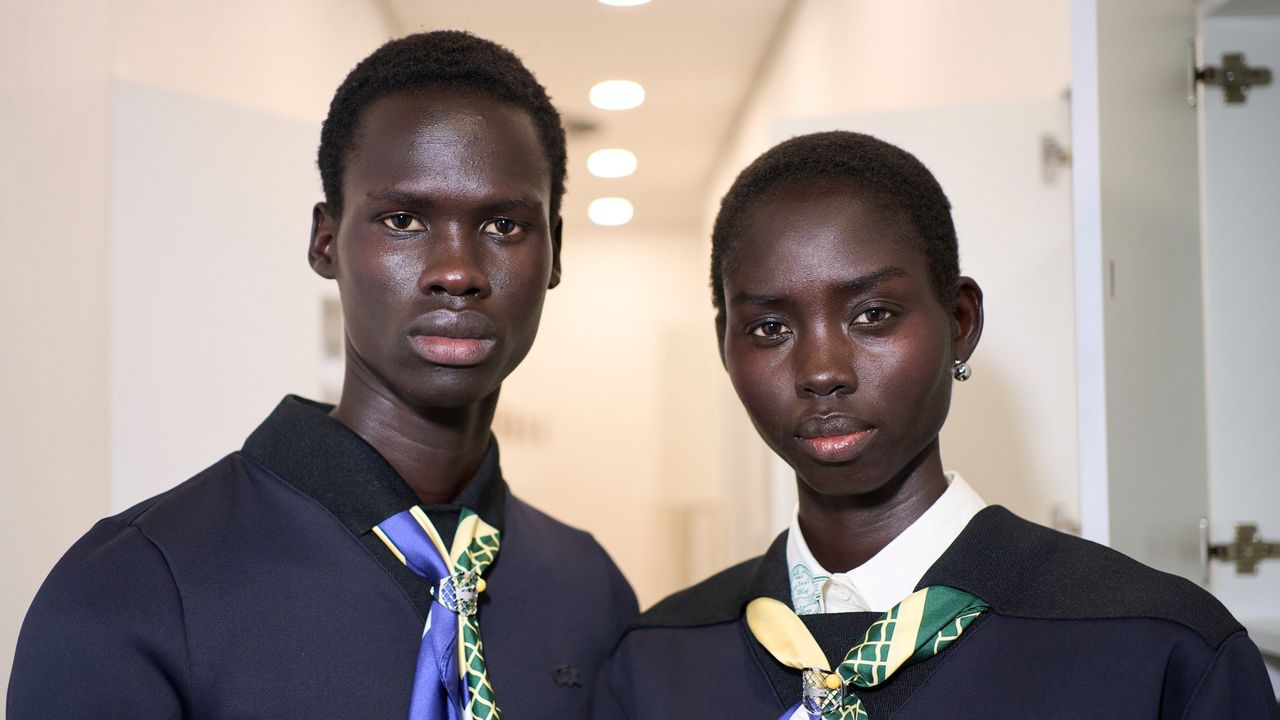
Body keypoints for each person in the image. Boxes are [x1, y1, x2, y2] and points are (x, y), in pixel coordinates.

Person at [8, 31, 637, 720]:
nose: (457, 271)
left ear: (554, 254)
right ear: (326, 241)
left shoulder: (590, 590)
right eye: (403, 220)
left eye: (504, 226)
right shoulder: (135, 585)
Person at [591, 131, 1278, 719]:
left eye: (873, 315)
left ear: (959, 323)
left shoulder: (1153, 649)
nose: (821, 369)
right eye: (770, 327)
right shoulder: (657, 665)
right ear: (726, 348)